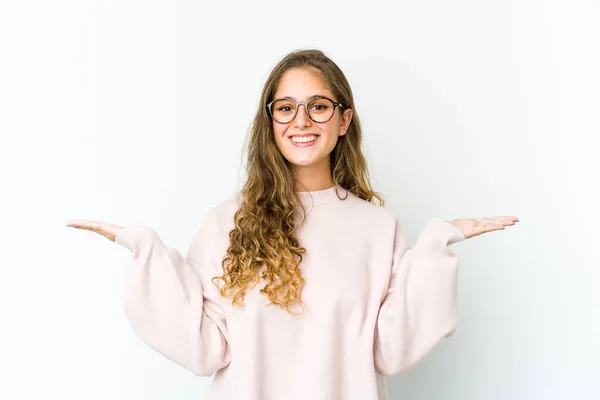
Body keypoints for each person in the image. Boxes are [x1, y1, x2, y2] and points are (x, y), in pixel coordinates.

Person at [67, 49, 519, 400]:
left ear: (344, 120)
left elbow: (390, 350)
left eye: (318, 106)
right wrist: (146, 252)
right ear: (270, 120)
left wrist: (435, 247)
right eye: (285, 108)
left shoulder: (378, 229)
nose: (300, 121)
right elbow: (205, 348)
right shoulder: (226, 222)